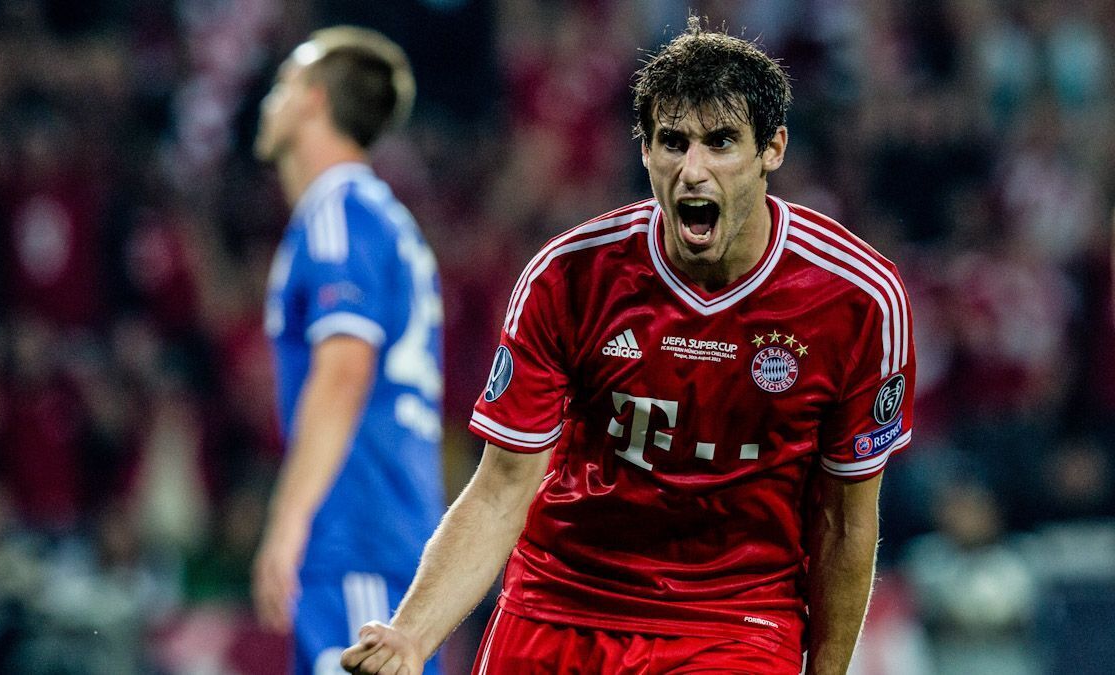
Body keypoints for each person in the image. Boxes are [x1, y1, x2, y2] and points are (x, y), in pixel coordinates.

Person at [342, 17, 916, 675]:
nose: (692, 170)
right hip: (558, 603)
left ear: (773, 148)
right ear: (644, 152)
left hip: (732, 621)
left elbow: (846, 521)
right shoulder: (568, 276)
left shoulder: (857, 299)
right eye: (672, 143)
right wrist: (413, 635)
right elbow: (501, 488)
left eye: (721, 142)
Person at [251, 27, 445, 675]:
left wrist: (288, 518)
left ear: (310, 99)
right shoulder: (375, 214)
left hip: (360, 522)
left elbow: (344, 371)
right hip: (385, 523)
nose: (268, 102)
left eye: (281, 85)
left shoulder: (340, 216)